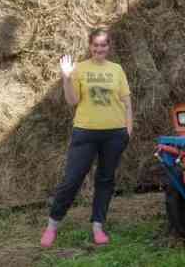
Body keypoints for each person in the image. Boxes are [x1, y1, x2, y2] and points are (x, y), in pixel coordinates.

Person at [40, 28, 133, 247]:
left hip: (114, 134)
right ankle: (52, 225)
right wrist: (66, 77)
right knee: (71, 180)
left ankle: (98, 226)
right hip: (86, 132)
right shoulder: (80, 68)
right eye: (96, 45)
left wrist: (128, 130)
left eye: (104, 45)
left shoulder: (117, 69)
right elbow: (72, 101)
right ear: (90, 46)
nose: (100, 49)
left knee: (105, 180)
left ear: (109, 46)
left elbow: (127, 101)